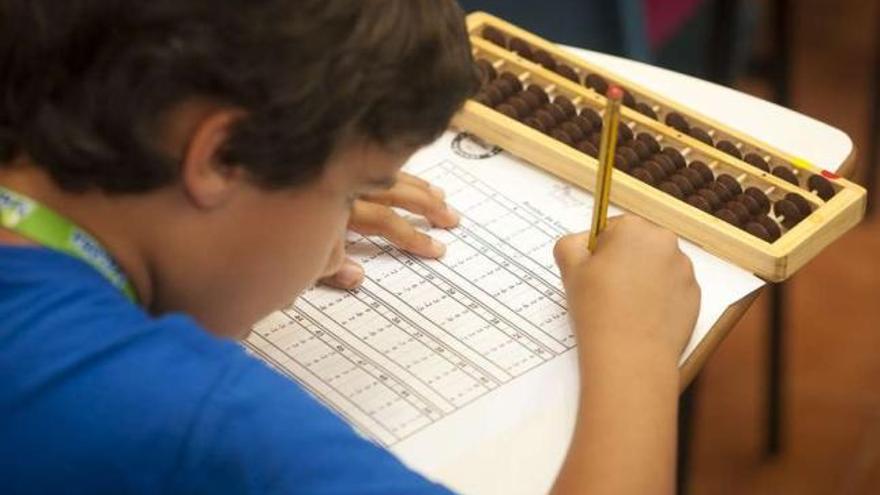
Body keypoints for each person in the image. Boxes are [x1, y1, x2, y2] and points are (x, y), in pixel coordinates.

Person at [0, 1, 700, 494]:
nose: (341, 228)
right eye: (346, 192)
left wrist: (268, 213)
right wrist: (636, 350)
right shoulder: (189, 418)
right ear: (222, 158)